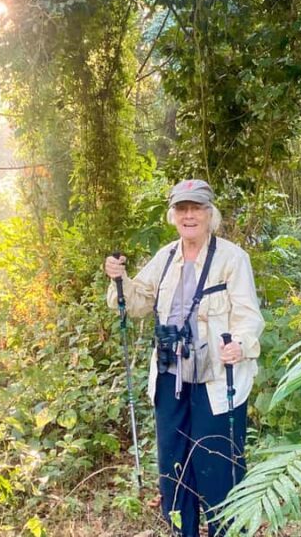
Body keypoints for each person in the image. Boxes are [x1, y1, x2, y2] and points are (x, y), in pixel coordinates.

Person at [104, 179, 264, 537]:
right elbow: (138, 303)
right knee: (173, 462)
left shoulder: (232, 258)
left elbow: (249, 316)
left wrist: (240, 343)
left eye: (196, 208)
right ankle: (183, 530)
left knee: (218, 462)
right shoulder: (165, 257)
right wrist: (120, 279)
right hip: (169, 375)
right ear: (173, 215)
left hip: (217, 379)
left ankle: (226, 530)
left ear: (210, 214)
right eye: (182, 209)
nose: (189, 215)